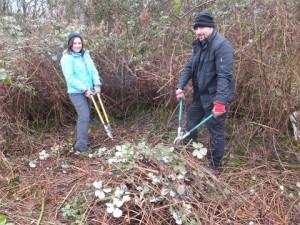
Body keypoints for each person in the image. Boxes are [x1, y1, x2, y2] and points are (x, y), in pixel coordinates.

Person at [176, 11, 234, 170]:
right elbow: (190, 67)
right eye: (196, 28)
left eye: (201, 27)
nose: (198, 31)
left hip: (215, 97)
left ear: (211, 27)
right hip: (200, 95)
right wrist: (180, 86)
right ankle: (190, 151)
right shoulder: (199, 45)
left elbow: (224, 76)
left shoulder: (222, 46)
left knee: (215, 131)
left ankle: (215, 165)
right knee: (191, 122)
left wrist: (220, 103)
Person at [60, 32, 102, 152]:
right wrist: (84, 88)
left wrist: (97, 84)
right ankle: (81, 146)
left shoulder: (85, 55)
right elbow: (70, 78)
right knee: (84, 116)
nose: (77, 45)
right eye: (75, 43)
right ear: (70, 44)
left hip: (89, 91)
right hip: (76, 92)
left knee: (86, 116)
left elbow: (93, 70)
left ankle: (83, 140)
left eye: (79, 43)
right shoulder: (66, 58)